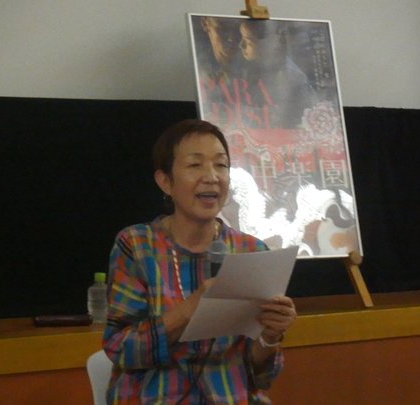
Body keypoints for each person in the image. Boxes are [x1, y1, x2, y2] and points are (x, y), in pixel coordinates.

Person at [102, 119, 297, 404]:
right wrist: (190, 309)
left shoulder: (252, 251)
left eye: (221, 165)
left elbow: (261, 377)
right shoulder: (137, 245)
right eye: (195, 165)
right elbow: (120, 349)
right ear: (165, 181)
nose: (212, 176)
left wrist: (270, 335)